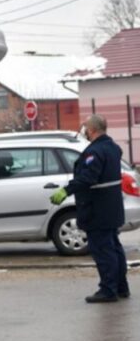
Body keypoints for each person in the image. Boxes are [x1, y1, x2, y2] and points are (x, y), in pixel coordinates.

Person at [50, 115, 130, 303]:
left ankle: (108, 290)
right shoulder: (112, 148)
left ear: (92, 130)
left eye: (85, 127)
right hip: (111, 207)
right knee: (114, 248)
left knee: (103, 250)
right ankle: (121, 286)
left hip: (98, 209)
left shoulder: (95, 152)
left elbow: (88, 178)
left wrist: (66, 190)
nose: (83, 130)